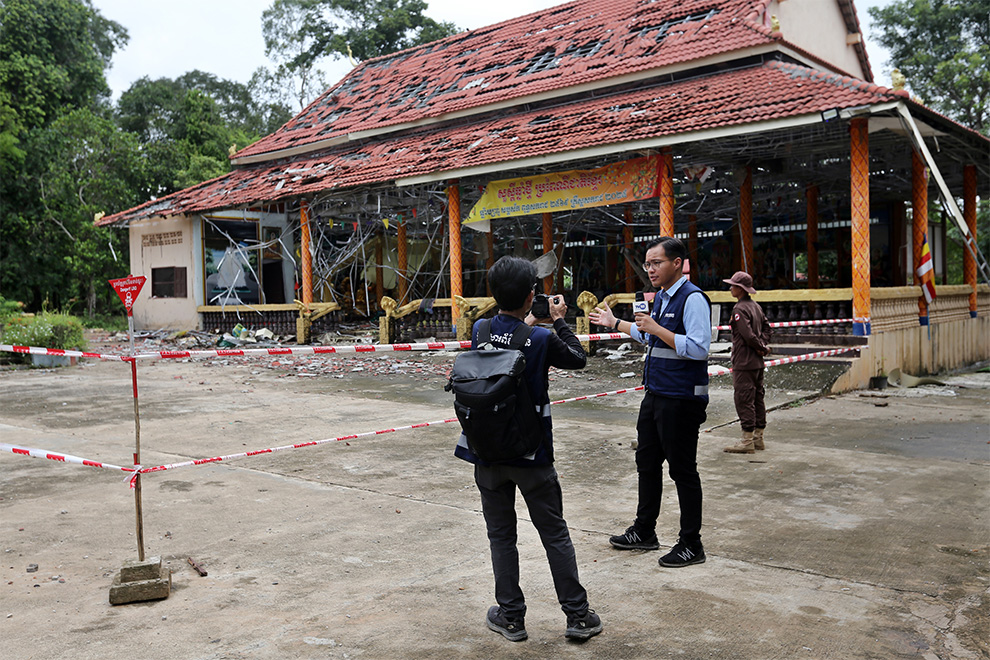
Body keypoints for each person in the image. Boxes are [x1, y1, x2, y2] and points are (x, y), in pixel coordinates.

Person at [454, 256, 603, 642]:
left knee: (501, 536)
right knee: (554, 534)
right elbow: (578, 359)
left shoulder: (480, 328)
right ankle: (577, 616)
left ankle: (511, 617)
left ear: (492, 293)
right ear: (532, 295)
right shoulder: (539, 339)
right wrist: (559, 321)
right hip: (531, 455)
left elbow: (504, 345)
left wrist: (528, 324)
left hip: (486, 452)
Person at [589, 237, 711, 568]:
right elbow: (648, 334)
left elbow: (700, 348)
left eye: (656, 263)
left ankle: (691, 543)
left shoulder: (693, 299)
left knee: (683, 470)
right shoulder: (658, 298)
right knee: (646, 462)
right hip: (656, 394)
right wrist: (615, 323)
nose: (650, 269)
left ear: (677, 263)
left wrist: (658, 328)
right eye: (647, 263)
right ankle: (644, 530)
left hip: (682, 398)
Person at [721, 271, 771, 454]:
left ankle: (747, 440)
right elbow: (767, 327)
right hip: (757, 362)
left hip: (744, 361)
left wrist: (760, 346)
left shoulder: (739, 310)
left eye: (733, 285)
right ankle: (758, 438)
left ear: (740, 289)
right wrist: (763, 345)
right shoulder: (756, 306)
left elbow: (747, 335)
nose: (730, 288)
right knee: (758, 398)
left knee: (744, 399)